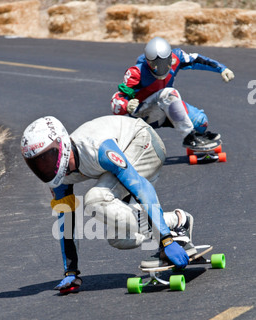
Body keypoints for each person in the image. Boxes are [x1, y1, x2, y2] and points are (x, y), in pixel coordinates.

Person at [21, 115, 196, 293]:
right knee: (120, 238)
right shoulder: (57, 180)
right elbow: (66, 221)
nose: (45, 168)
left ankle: (178, 221)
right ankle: (175, 233)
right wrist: (71, 271)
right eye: (37, 164)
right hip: (120, 161)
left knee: (95, 199)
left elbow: (140, 187)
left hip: (144, 143)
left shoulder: (96, 147)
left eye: (48, 158)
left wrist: (165, 238)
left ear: (63, 144)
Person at [111, 36, 235, 150]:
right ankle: (189, 138)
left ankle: (196, 136)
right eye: (155, 64)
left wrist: (222, 68)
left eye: (165, 63)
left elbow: (197, 59)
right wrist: (126, 105)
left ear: (170, 57)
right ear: (148, 62)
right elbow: (117, 99)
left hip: (165, 107)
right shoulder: (136, 73)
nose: (161, 68)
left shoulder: (177, 57)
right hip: (143, 114)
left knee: (201, 121)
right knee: (169, 93)